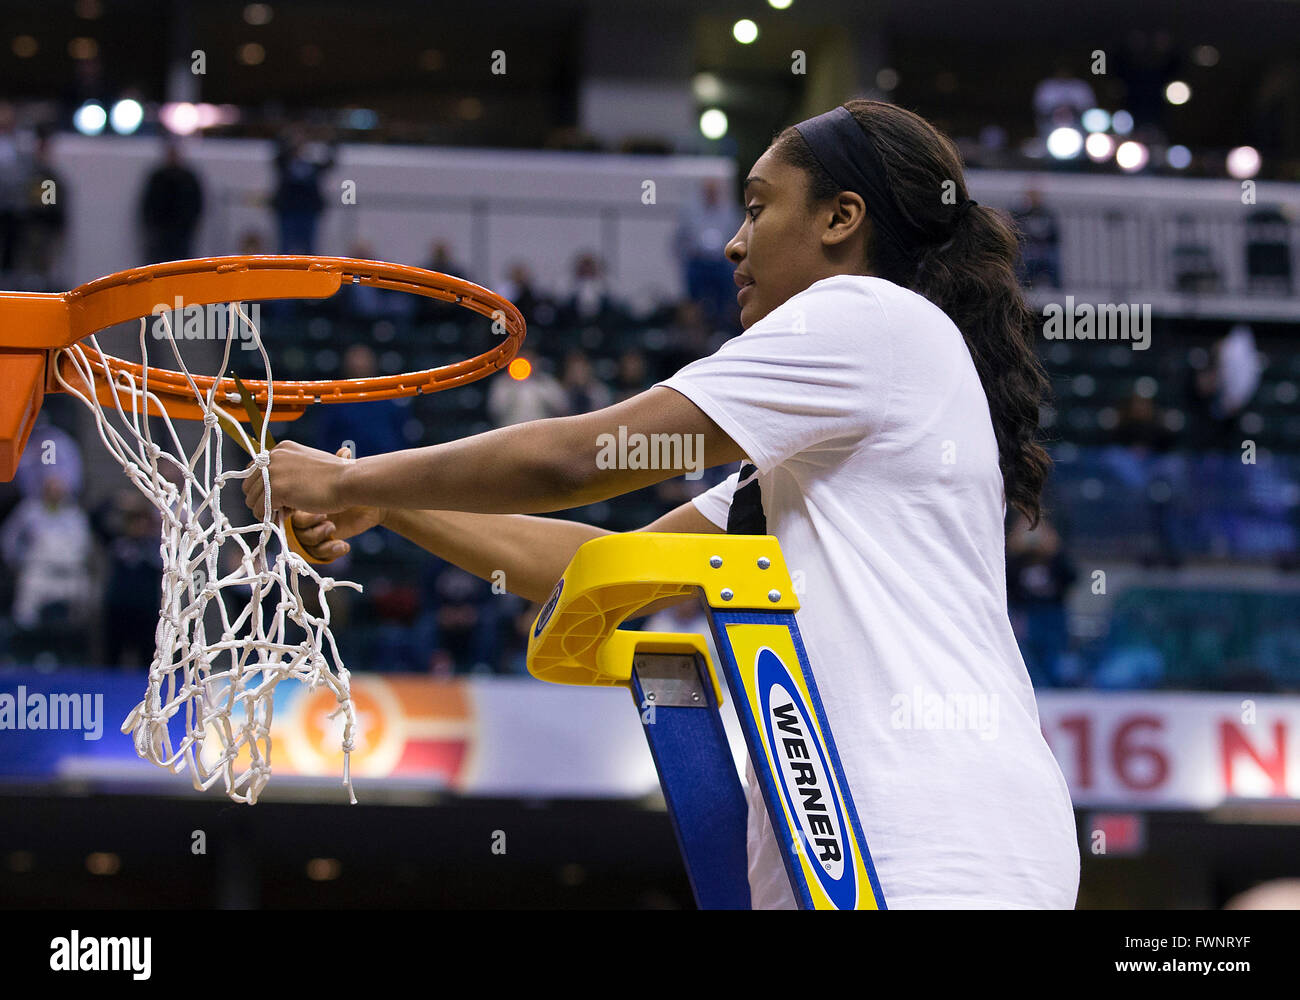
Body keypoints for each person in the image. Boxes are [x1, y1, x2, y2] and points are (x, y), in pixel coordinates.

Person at [243, 100, 1078, 910]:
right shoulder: (813, 446)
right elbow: (595, 569)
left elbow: (583, 458)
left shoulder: (864, 316)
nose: (732, 241)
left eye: (757, 209)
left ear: (840, 218)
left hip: (929, 835)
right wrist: (389, 506)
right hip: (890, 841)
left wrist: (352, 482)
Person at [139, 142, 204, 263]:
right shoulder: (158, 177)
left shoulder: (187, 177)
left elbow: (196, 204)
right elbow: (149, 204)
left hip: (182, 232)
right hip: (161, 232)